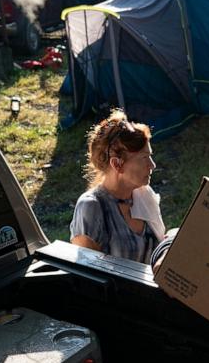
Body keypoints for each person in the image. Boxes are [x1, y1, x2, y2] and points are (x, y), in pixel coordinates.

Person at [70, 110, 164, 263]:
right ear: (117, 164)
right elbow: (85, 275)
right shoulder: (91, 207)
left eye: (150, 157)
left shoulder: (143, 195)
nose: (152, 165)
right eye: (144, 158)